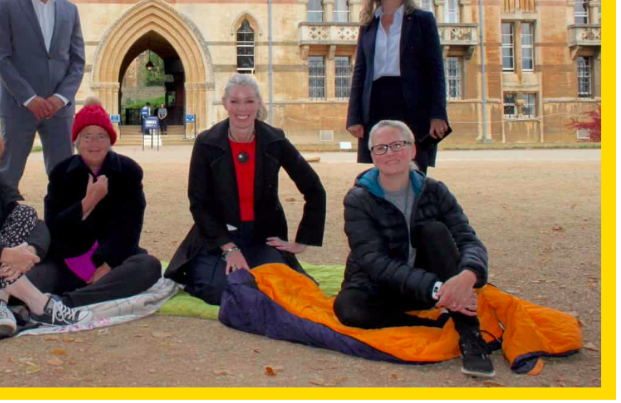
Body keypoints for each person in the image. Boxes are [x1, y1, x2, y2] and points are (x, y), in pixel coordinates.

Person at [334, 120, 494, 377]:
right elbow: (373, 261)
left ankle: (470, 336)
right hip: (382, 285)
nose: (390, 153)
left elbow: (468, 240)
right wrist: (438, 288)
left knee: (435, 231)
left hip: (425, 282)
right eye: (381, 148)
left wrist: (467, 277)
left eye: (398, 145)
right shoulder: (359, 199)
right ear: (372, 155)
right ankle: (433, 324)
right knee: (347, 308)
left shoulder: (435, 191)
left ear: (412, 150)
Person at [165, 74, 326, 305]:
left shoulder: (275, 140)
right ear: (225, 104)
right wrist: (229, 249)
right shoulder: (206, 142)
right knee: (220, 291)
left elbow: (314, 188)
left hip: (261, 237)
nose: (242, 108)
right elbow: (199, 203)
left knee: (276, 289)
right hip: (218, 237)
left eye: (249, 101)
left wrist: (303, 240)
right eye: (235, 101)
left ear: (259, 103)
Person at [27, 98, 162, 307]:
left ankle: (69, 302)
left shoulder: (128, 171)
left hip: (112, 262)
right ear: (77, 141)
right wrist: (87, 203)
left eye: (101, 136)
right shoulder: (61, 173)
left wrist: (107, 265)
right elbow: (54, 227)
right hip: (67, 260)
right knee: (28, 280)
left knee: (149, 266)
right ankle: (92, 294)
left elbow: (130, 228)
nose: (94, 143)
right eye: (87, 137)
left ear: (110, 141)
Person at [0, 0, 85, 184]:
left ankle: (62, 222)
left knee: (64, 177)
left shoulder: (70, 10)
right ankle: (0, 220)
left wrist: (60, 98)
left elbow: (77, 61)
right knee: (7, 175)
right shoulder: (6, 5)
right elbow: (1, 57)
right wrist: (29, 98)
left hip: (59, 109)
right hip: (18, 106)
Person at [346, 0, 449, 174]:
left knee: (415, 167)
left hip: (412, 102)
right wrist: (354, 117)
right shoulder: (368, 24)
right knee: (383, 168)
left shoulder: (423, 20)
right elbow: (360, 72)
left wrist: (438, 113)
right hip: (376, 102)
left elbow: (436, 70)